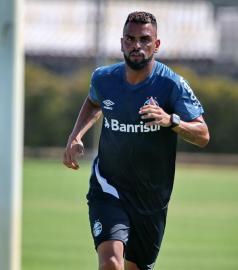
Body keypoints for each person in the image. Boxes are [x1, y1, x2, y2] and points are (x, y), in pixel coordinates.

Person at [63, 11, 210, 270]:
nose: (137, 46)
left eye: (144, 39)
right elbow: (94, 101)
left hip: (151, 197)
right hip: (108, 186)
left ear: (157, 44)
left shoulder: (171, 84)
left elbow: (203, 134)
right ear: (122, 43)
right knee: (111, 262)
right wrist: (76, 135)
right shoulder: (103, 78)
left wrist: (170, 121)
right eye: (130, 39)